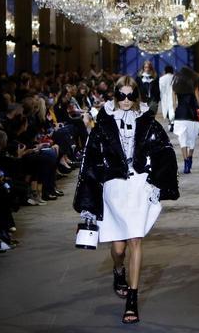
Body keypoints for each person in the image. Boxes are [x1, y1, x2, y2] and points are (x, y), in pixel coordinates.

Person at [74, 75, 180, 324]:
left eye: (130, 95)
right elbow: (90, 158)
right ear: (115, 95)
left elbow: (164, 148)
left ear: (136, 96)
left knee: (135, 240)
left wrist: (155, 178)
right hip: (113, 186)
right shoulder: (104, 120)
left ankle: (133, 298)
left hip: (138, 185)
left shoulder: (146, 119)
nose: (125, 100)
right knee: (118, 248)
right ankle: (117, 269)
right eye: (121, 95)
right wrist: (88, 201)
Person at [172, 67, 199, 173]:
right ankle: (190, 159)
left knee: (182, 139)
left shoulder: (175, 87)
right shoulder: (194, 85)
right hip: (191, 114)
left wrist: (174, 114)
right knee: (191, 139)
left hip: (180, 114)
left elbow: (174, 104)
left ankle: (186, 161)